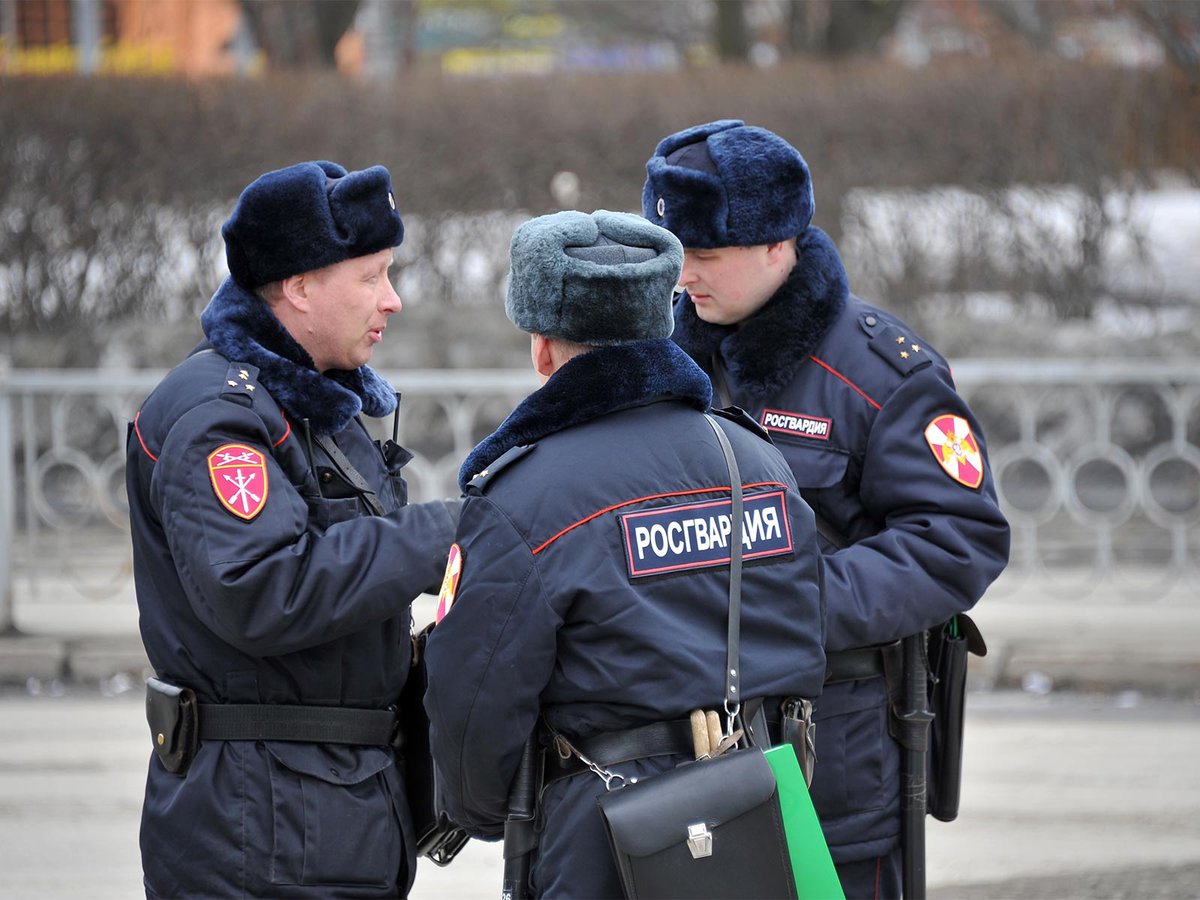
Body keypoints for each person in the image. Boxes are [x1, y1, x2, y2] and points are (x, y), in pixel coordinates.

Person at [641, 120, 1012, 899]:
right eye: (674, 259)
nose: (685, 281)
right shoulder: (655, 359)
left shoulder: (878, 372)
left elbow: (958, 536)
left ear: (779, 244)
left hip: (833, 746)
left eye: (705, 256)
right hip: (671, 747)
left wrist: (782, 607)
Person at [422, 209, 828, 898]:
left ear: (542, 346)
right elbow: (804, 643)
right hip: (758, 806)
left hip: (599, 832)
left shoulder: (523, 498)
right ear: (660, 324)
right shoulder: (756, 460)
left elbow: (473, 703)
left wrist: (481, 814)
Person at [125, 160, 459, 899]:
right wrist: (439, 538)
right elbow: (263, 586)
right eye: (371, 277)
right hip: (261, 824)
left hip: (322, 806)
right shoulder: (219, 418)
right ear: (300, 286)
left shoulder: (305, 403)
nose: (393, 300)